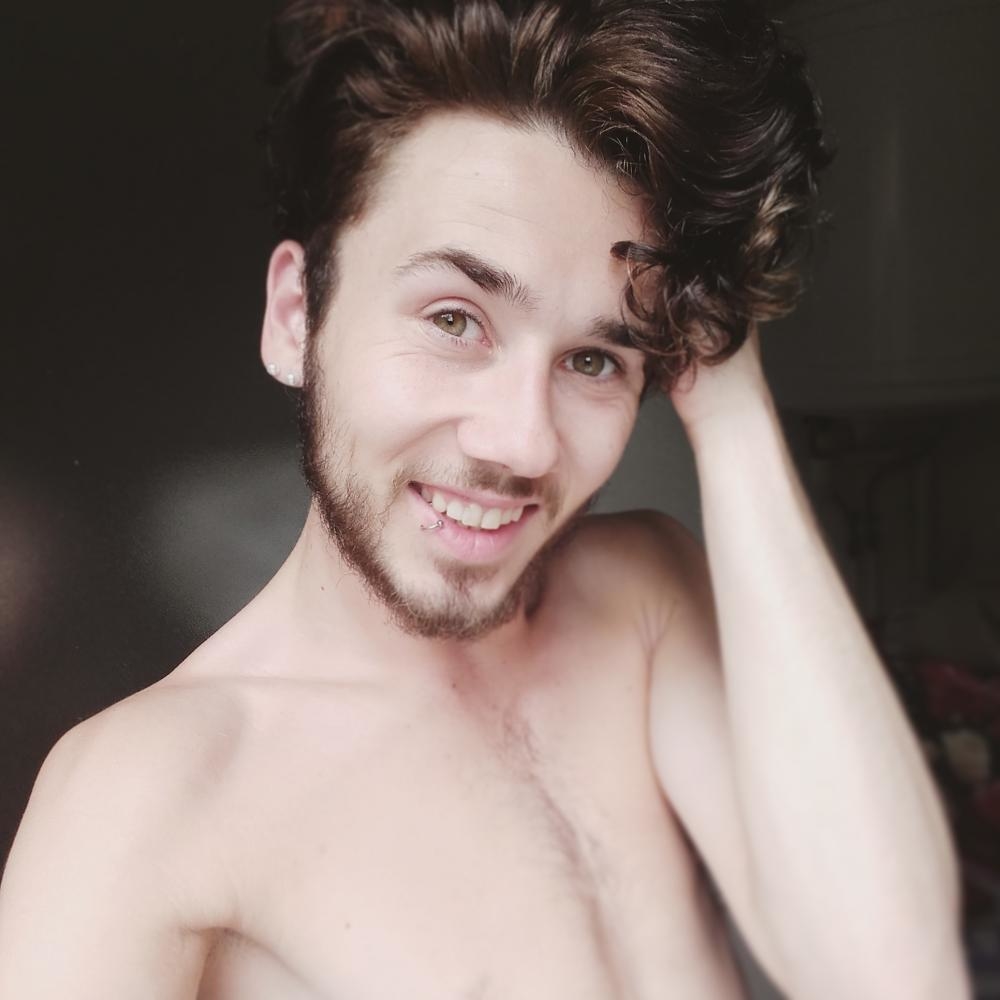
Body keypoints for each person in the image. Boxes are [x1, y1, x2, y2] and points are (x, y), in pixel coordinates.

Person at [0, 1, 970, 997]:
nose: (523, 441)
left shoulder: (644, 604)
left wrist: (729, 406)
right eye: (455, 319)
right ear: (296, 316)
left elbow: (898, 980)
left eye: (593, 358)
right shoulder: (145, 794)